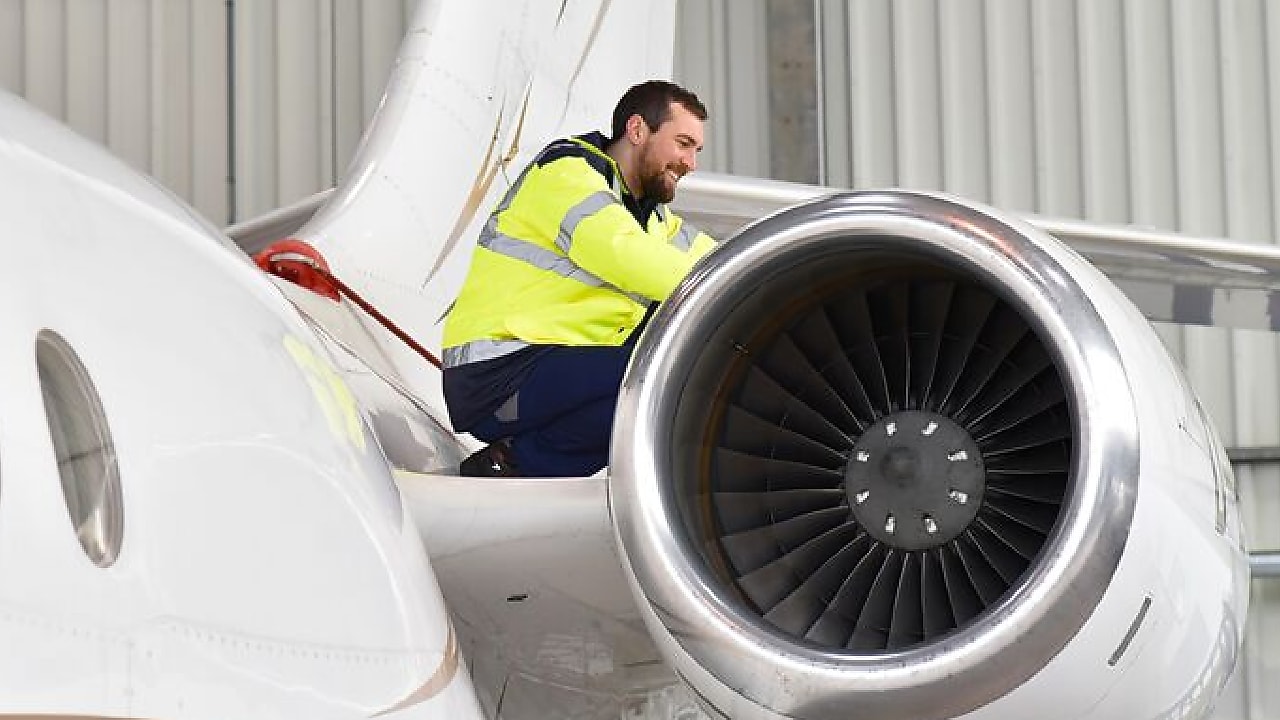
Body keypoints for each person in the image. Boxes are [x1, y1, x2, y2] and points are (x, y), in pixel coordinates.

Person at [441, 80, 716, 477]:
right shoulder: (566, 174)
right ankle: (517, 465)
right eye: (683, 144)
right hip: (497, 372)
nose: (691, 163)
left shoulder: (652, 218)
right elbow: (626, 256)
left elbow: (715, 261)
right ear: (637, 130)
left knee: (667, 384)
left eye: (696, 150)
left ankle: (513, 462)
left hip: (551, 367)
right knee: (658, 377)